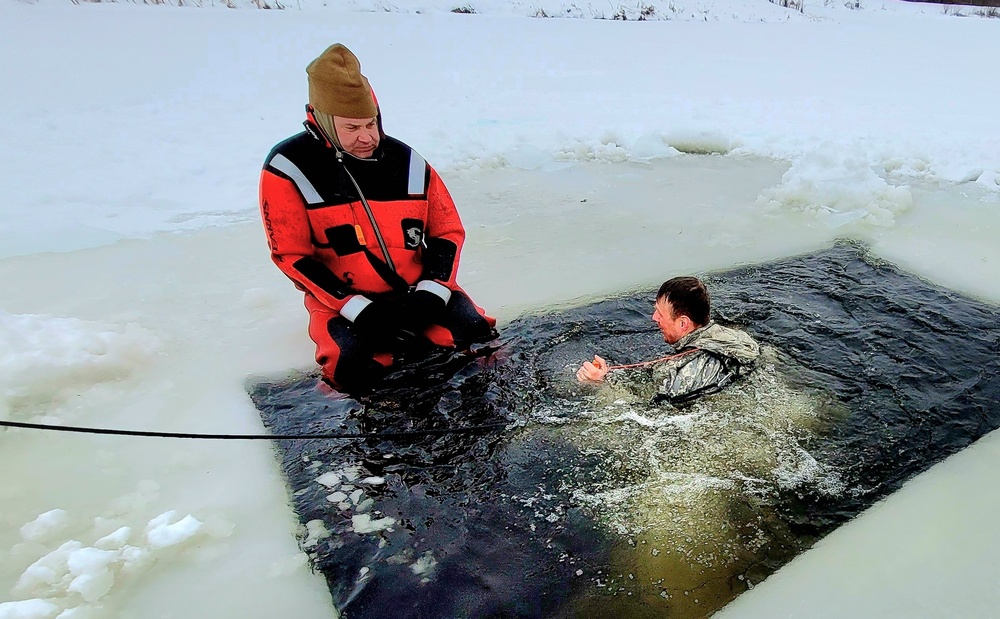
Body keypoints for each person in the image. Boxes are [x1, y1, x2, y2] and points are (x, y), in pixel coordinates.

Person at [258, 43, 496, 393]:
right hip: (343, 304)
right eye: (352, 128)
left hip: (419, 290)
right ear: (323, 120)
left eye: (371, 124)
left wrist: (431, 292)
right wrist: (358, 310)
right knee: (349, 366)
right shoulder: (288, 169)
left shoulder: (408, 162)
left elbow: (447, 231)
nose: (367, 137)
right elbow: (292, 256)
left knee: (479, 338)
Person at [577, 276, 759, 405]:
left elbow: (647, 413)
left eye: (660, 313)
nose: (654, 318)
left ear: (683, 323)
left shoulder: (683, 372)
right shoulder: (738, 338)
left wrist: (600, 384)